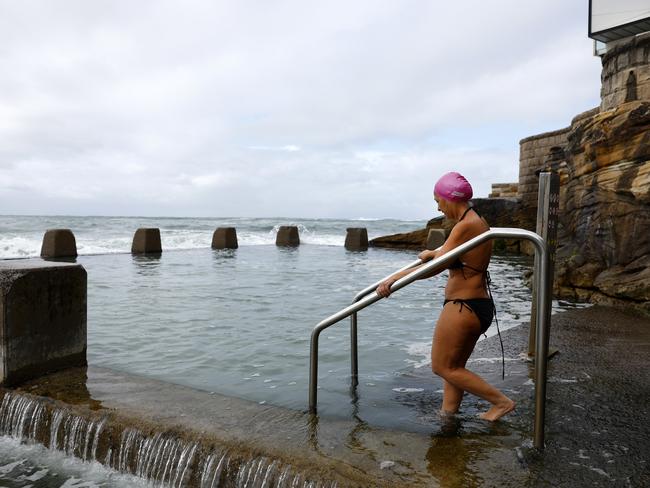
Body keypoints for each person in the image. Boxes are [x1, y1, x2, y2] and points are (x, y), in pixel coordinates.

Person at [376, 172, 515, 421]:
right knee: (454, 368)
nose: (438, 207)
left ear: (450, 198)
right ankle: (448, 416)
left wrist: (394, 279)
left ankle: (501, 403)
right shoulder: (475, 221)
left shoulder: (464, 226)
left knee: (441, 366)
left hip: (463, 307)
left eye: (438, 201)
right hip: (477, 306)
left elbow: (435, 268)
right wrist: (435, 252)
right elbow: (451, 254)